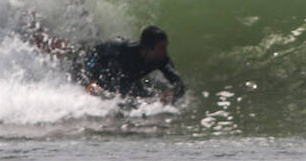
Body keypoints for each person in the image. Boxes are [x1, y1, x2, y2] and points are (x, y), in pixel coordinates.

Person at [21, 12, 185, 104]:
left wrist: (171, 94)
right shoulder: (122, 48)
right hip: (90, 61)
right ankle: (37, 34)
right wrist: (89, 80)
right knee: (64, 51)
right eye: (162, 47)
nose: (165, 51)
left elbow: (178, 83)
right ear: (148, 48)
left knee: (137, 93)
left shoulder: (161, 60)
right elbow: (93, 54)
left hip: (122, 78)